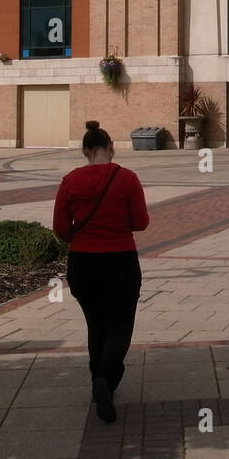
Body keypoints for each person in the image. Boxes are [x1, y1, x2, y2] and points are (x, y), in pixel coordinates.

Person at [52, 120, 149, 422]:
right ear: (111, 147)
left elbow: (59, 229)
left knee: (96, 324)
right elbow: (141, 222)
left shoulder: (70, 181)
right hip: (120, 260)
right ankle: (105, 378)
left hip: (83, 262)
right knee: (120, 325)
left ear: (85, 151)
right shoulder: (127, 179)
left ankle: (98, 380)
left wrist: (78, 239)